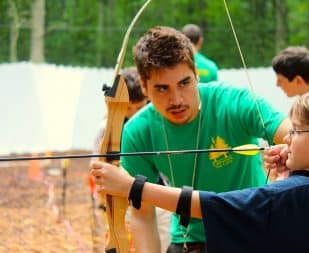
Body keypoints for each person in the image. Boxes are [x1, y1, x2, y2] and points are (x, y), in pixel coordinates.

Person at [91, 88, 309, 253]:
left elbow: (210, 205)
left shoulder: (297, 195)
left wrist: (132, 187)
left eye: (295, 131)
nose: (288, 137)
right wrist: (302, 161)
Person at [93, 26, 290, 253]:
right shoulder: (138, 132)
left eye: (184, 83)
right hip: (190, 239)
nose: (176, 99)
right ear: (145, 86)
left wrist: (290, 148)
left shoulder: (233, 102)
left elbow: (294, 133)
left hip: (252, 228)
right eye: (162, 88)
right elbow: (143, 214)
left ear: (196, 74)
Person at [90, 67, 171, 253]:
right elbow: (97, 166)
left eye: (139, 107)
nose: (134, 114)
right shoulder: (107, 128)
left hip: (159, 195)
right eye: (128, 108)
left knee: (165, 243)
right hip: (124, 202)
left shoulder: (155, 123)